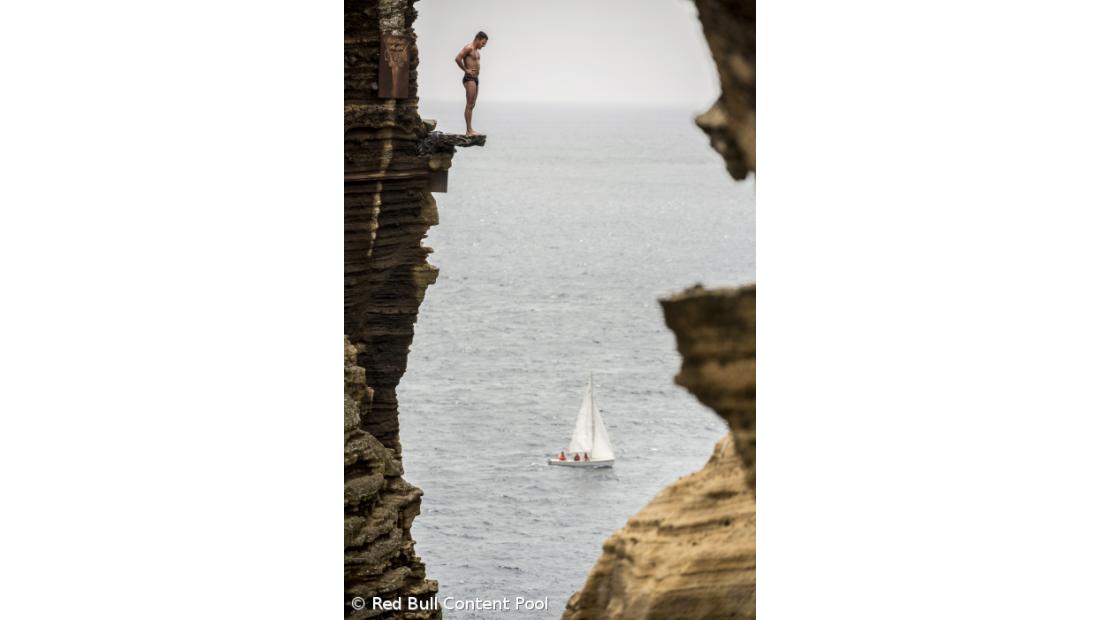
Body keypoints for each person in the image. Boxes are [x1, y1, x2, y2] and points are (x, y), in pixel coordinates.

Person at [454, 31, 488, 136]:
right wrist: (465, 70)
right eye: (483, 43)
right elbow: (457, 58)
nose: (484, 45)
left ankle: (470, 129)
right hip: (469, 79)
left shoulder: (477, 52)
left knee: (472, 105)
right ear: (477, 39)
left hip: (475, 79)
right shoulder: (469, 48)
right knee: (469, 104)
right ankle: (469, 131)